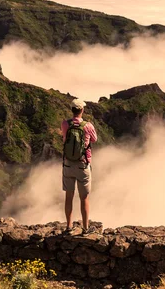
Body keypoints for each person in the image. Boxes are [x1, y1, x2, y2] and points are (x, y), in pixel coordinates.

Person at [61, 98, 97, 234]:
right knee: (84, 198)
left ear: (72, 110)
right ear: (82, 110)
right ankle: (85, 228)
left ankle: (68, 227)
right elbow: (94, 139)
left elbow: (64, 137)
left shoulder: (65, 124)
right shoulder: (88, 126)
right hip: (83, 164)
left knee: (69, 196)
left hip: (68, 165)